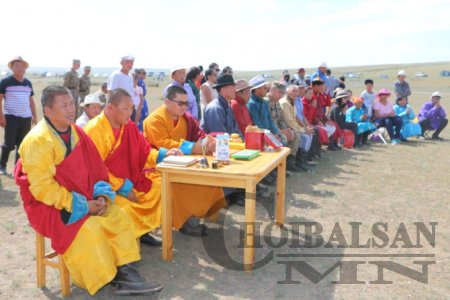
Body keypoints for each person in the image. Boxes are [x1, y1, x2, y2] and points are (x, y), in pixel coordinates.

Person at [15, 85, 163, 296]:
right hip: (49, 205)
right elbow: (43, 189)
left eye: (71, 104)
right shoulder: (37, 141)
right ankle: (105, 277)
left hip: (84, 195)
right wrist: (83, 206)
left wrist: (102, 195)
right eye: (63, 105)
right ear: (47, 110)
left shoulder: (76, 132)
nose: (70, 109)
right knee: (89, 228)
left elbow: (97, 169)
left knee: (118, 216)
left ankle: (125, 273)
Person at [84, 88, 215, 240]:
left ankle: (144, 229)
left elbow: (145, 151)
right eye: (126, 109)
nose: (129, 113)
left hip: (131, 178)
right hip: (104, 187)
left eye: (131, 108)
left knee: (162, 186)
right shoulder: (94, 130)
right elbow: (96, 170)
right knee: (126, 208)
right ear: (110, 108)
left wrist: (164, 154)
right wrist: (123, 188)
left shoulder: (129, 126)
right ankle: (131, 238)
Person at [143, 85, 225, 221]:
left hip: (185, 161)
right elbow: (163, 144)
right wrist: (192, 148)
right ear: (167, 102)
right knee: (178, 184)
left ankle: (205, 211)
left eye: (186, 103)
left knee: (208, 174)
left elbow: (199, 133)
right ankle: (184, 220)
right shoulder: (154, 120)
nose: (184, 107)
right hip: (158, 164)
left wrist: (206, 141)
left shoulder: (186, 118)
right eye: (180, 103)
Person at [0, 56, 37, 175]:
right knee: (9, 144)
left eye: (22, 66)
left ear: (25, 68)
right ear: (12, 67)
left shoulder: (27, 83)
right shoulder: (5, 82)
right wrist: (1, 117)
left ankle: (18, 168)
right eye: (17, 65)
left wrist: (34, 115)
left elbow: (31, 100)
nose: (20, 68)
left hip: (25, 118)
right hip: (10, 117)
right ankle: (2, 165)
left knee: (22, 144)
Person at [267, 82, 303, 172]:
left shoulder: (277, 103)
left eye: (283, 93)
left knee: (295, 135)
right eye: (280, 92)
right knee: (283, 138)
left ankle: (290, 163)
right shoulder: (266, 102)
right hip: (270, 131)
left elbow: (280, 119)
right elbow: (268, 122)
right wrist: (280, 132)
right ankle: (275, 168)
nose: (281, 95)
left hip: (278, 129)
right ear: (272, 90)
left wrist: (286, 129)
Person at [279, 85, 316, 171]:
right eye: (293, 91)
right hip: (286, 127)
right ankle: (295, 163)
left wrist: (305, 128)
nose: (296, 93)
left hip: (293, 126)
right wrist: (303, 130)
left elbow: (295, 117)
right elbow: (289, 121)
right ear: (287, 92)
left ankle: (302, 161)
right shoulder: (285, 103)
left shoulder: (292, 102)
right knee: (304, 137)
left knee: (309, 135)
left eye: (297, 91)